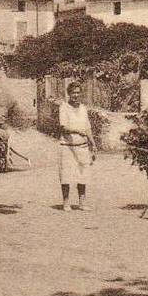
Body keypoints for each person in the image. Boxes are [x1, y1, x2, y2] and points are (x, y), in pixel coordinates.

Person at [58, 81, 97, 212]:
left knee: (83, 174)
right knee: (66, 174)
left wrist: (92, 142)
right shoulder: (64, 107)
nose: (76, 95)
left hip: (82, 146)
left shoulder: (83, 108)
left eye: (78, 92)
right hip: (67, 146)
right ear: (69, 94)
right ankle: (66, 202)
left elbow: (87, 127)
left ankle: (82, 202)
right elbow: (63, 127)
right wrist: (78, 131)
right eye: (73, 93)